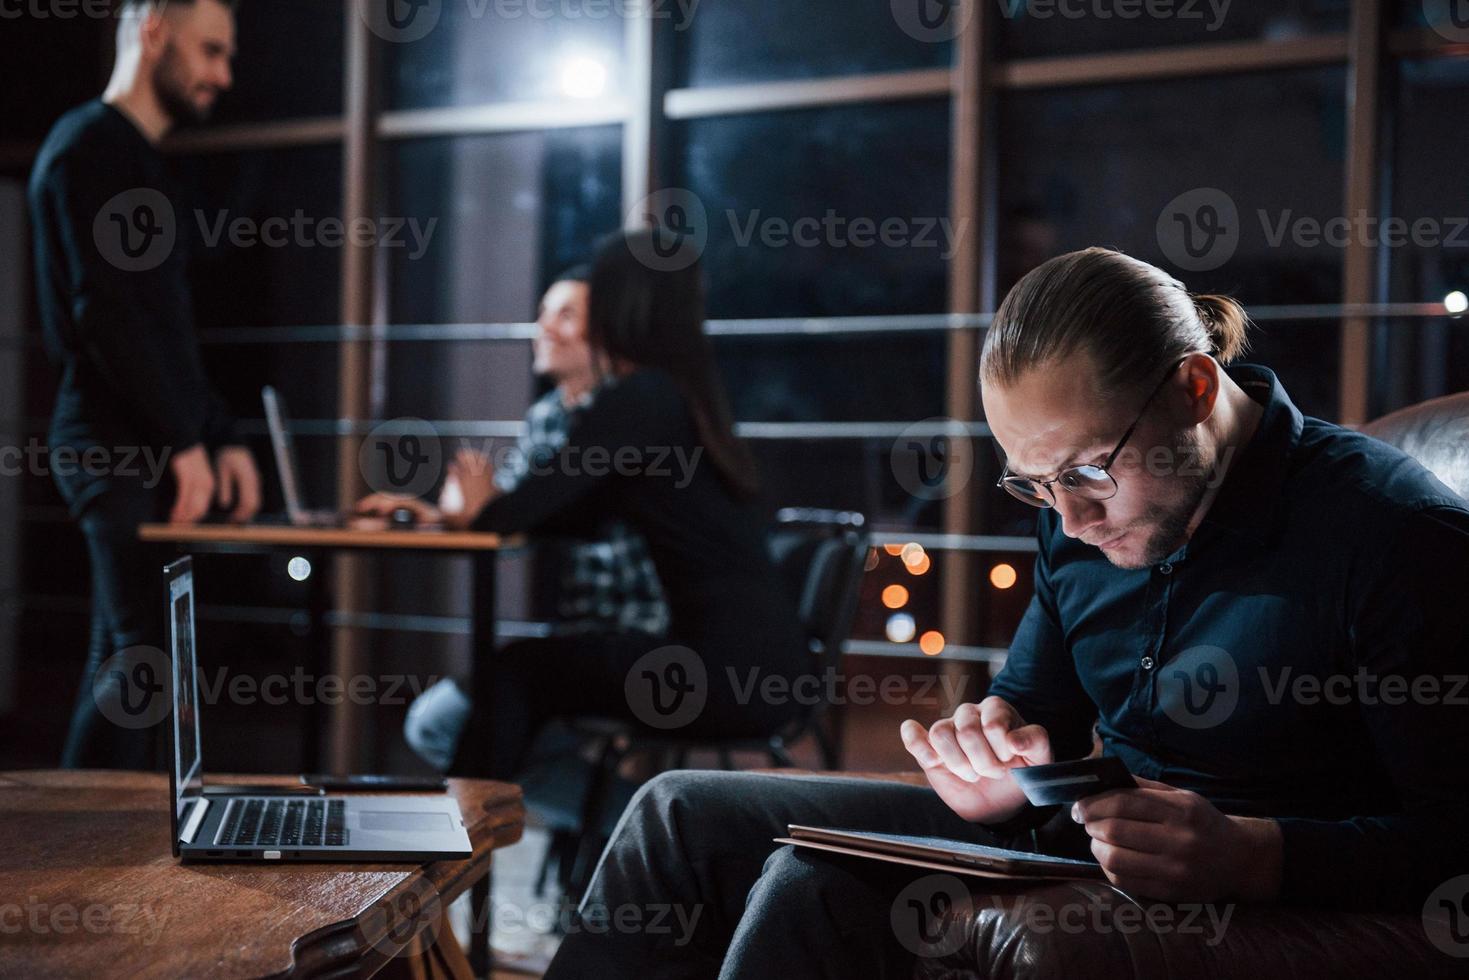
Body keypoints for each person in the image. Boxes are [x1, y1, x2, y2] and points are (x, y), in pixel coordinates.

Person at [538, 247, 1469, 979]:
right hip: (1074, 846)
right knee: (675, 815)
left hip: (1264, 895)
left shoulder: (1391, 535)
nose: (1065, 518)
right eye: (1032, 484)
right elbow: (1032, 711)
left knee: (817, 887)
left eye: (1087, 471)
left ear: (1193, 387)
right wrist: (993, 761)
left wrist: (1258, 857)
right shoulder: (1077, 518)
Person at [361, 229, 806, 779]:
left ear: (622, 308)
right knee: (524, 673)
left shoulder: (639, 400)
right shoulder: (678, 397)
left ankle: (469, 843)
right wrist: (451, 513)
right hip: (756, 668)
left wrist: (482, 504)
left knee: (517, 673)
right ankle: (581, 826)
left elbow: (518, 513)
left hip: (718, 672)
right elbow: (568, 513)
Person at [28, 0, 259, 768]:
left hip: (141, 441)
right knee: (140, 661)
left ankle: (85, 858)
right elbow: (110, 319)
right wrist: (187, 439)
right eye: (211, 51)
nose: (222, 76)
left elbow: (163, 333)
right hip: (108, 444)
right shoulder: (89, 148)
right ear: (154, 28)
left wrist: (218, 436)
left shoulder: (136, 159)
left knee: (127, 654)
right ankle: (87, 866)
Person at [403, 266, 670, 771]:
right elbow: (514, 512)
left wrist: (484, 510)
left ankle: (620, 821)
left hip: (636, 635)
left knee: (451, 720)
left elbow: (513, 515)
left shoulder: (629, 415)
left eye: (565, 315)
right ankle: (608, 820)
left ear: (607, 333)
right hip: (577, 633)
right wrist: (437, 513)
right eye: (542, 313)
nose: (542, 328)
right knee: (439, 722)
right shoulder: (549, 414)